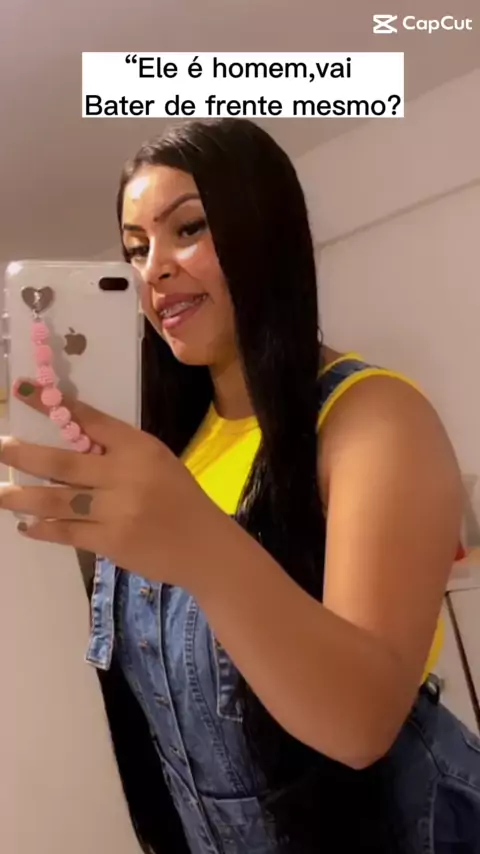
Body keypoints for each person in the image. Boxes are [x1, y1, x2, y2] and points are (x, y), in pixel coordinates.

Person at [1, 118, 480, 854]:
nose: (153, 270)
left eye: (188, 228)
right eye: (136, 248)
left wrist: (198, 542)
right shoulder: (170, 449)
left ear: (265, 230)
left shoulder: (371, 416)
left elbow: (361, 723)